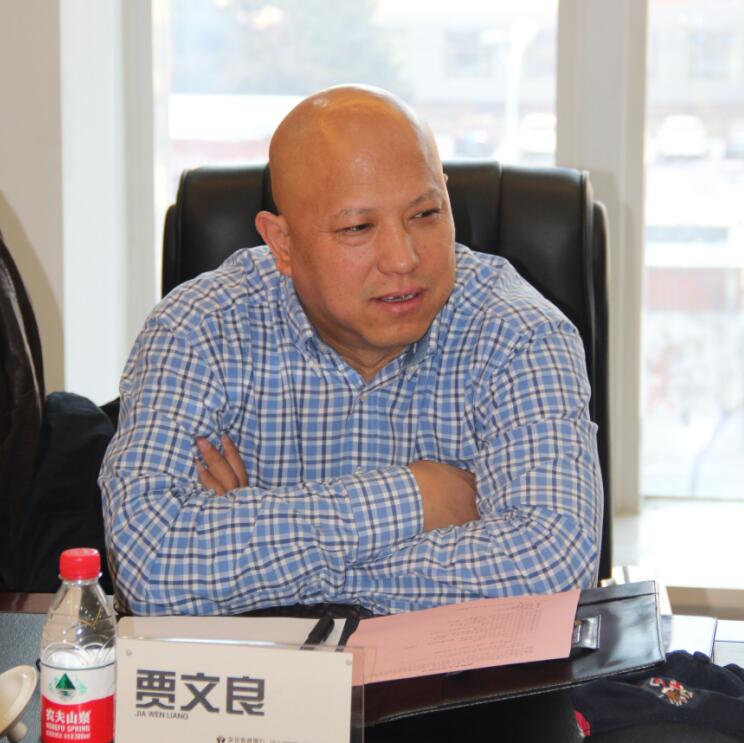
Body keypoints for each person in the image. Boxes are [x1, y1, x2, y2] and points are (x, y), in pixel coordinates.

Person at [99, 85, 602, 618]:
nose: (403, 259)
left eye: (426, 214)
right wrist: (417, 497)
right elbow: (150, 568)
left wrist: (251, 556)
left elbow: (552, 573)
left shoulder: (519, 334)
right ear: (282, 244)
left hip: (462, 673)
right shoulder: (198, 330)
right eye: (358, 227)